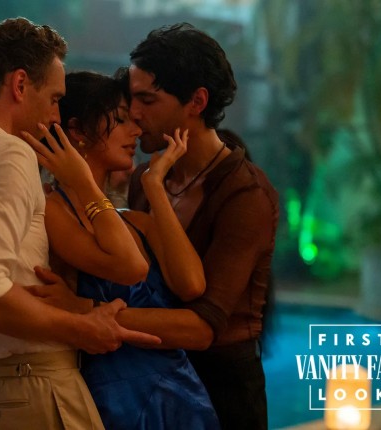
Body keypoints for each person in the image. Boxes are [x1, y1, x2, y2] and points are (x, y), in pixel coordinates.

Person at [0, 18, 159, 430]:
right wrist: (82, 327)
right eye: (54, 99)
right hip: (25, 386)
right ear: (20, 85)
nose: (56, 115)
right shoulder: (8, 153)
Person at [23, 71, 219, 430]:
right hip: (116, 405)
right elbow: (129, 267)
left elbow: (192, 285)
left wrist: (154, 185)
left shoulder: (137, 222)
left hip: (182, 398)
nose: (136, 131)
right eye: (121, 119)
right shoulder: (51, 210)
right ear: (78, 131)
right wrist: (82, 182)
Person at [125, 23, 280, 430]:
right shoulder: (147, 179)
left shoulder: (245, 194)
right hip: (157, 385)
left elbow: (202, 327)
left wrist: (89, 317)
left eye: (147, 99)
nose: (134, 112)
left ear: (196, 101)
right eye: (131, 98)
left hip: (222, 394)